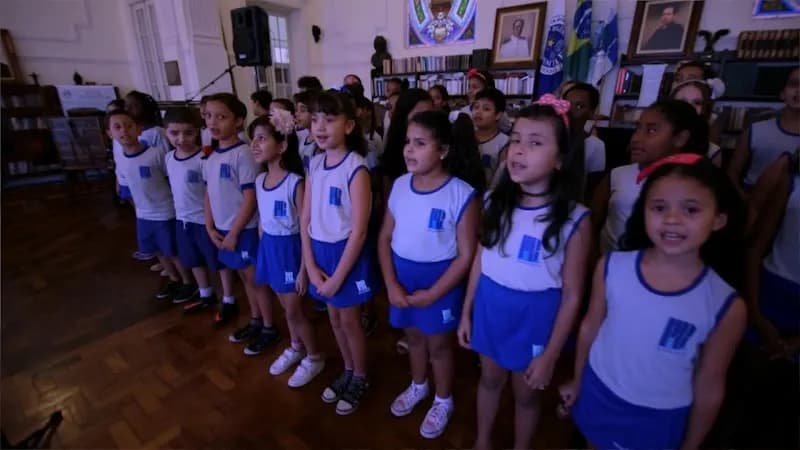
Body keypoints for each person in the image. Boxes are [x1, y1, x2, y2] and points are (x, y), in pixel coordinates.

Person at [562, 154, 747, 450]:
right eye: (659, 207)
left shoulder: (725, 305)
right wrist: (577, 379)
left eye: (691, 209)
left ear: (719, 219)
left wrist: (692, 443)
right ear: (643, 211)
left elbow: (709, 385)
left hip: (659, 416)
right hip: (599, 390)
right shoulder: (611, 267)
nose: (672, 219)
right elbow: (590, 328)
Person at [458, 97, 591, 450]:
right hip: (491, 306)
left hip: (535, 318)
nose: (519, 151)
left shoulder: (576, 219)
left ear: (560, 159)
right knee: (489, 380)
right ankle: (482, 441)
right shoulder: (492, 202)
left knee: (527, 395)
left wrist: (550, 356)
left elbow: (574, 295)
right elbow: (480, 261)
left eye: (535, 143)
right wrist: (467, 311)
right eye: (516, 139)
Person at [378, 111, 482, 439]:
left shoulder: (461, 193)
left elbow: (467, 254)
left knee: (438, 345)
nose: (409, 150)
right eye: (408, 142)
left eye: (420, 143)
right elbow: (383, 239)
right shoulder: (398, 186)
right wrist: (391, 284)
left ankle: (443, 399)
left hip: (440, 282)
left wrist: (435, 294)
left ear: (443, 150)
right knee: (412, 338)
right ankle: (418, 385)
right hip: (403, 277)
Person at [300, 91, 376, 415]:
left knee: (349, 319)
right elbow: (304, 218)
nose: (320, 126)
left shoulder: (356, 168)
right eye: (315, 118)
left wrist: (337, 278)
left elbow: (359, 231)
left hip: (347, 255)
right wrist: (310, 265)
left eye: (329, 119)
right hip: (319, 252)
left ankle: (360, 375)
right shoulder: (315, 163)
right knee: (333, 317)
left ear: (348, 126)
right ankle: (347, 368)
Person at [249, 111, 326, 387]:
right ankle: (296, 346)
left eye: (262, 138)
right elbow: (262, 222)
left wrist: (305, 270)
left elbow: (306, 228)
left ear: (282, 145)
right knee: (286, 309)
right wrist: (263, 253)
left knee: (296, 311)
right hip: (270, 249)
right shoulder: (259, 181)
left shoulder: (296, 183)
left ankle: (315, 356)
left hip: (291, 251)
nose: (255, 144)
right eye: (252, 139)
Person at [202, 93, 282, 350]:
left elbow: (250, 198)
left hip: (242, 230)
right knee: (245, 279)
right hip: (223, 230)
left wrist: (235, 232)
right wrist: (209, 225)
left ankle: (269, 327)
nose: (213, 122)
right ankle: (256, 319)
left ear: (238, 121)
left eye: (221, 117)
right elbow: (208, 193)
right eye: (208, 116)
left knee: (256, 279)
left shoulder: (243, 154)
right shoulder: (211, 156)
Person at [592, 100, 709, 254]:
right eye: (637, 129)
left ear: (680, 138)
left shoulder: (695, 186)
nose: (636, 138)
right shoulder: (618, 175)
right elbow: (591, 225)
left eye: (651, 130)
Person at [741, 151, 800, 448]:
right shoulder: (791, 182)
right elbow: (756, 247)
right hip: (771, 293)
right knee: (751, 393)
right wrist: (757, 312)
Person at [107, 110, 197, 301]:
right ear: (110, 134)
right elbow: (126, 188)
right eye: (117, 127)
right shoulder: (120, 159)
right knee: (157, 250)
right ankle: (174, 279)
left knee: (172, 250)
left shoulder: (156, 154)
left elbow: (171, 179)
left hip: (165, 212)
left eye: (129, 125)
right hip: (143, 214)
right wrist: (138, 211)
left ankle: (188, 282)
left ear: (138, 129)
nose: (124, 131)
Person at [162, 108, 228, 313]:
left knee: (218, 262)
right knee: (192, 259)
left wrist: (210, 221)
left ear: (198, 131)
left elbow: (212, 192)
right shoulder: (169, 158)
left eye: (188, 133)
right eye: (174, 133)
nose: (181, 139)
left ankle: (228, 298)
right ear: (166, 132)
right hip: (182, 219)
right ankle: (205, 293)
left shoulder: (204, 159)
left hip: (204, 220)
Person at [728, 67, 800, 192]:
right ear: (782, 93)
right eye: (794, 84)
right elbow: (732, 172)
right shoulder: (756, 130)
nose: (799, 91)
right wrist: (744, 201)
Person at [564, 82, 606, 192]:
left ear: (592, 113)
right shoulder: (547, 139)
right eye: (566, 104)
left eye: (579, 106)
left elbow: (592, 189)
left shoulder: (595, 146)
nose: (569, 111)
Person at [671, 79, 724, 166]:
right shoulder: (655, 142)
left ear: (705, 109)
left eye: (697, 103)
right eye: (682, 101)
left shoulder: (712, 151)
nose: (689, 106)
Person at [472, 88, 509, 184]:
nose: (478, 112)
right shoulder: (465, 135)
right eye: (476, 107)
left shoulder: (505, 143)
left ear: (498, 115)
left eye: (486, 109)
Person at [355, 95, 383, 169]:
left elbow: (380, 158)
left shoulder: (375, 137)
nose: (358, 112)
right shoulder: (354, 134)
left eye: (360, 109)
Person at [293, 90, 319, 171]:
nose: (297, 114)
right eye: (296, 110)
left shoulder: (320, 142)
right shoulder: (304, 138)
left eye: (302, 110)